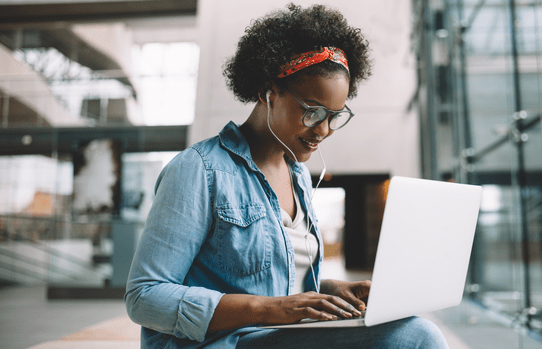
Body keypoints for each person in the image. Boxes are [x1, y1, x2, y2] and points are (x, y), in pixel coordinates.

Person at [125, 4, 450, 348]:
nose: (323, 130)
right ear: (270, 92)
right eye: (312, 112)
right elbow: (145, 297)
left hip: (278, 337)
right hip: (225, 342)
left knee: (408, 326)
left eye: (334, 116)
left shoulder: (298, 177)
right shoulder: (199, 170)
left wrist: (329, 291)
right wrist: (266, 309)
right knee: (415, 337)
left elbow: (278, 284)